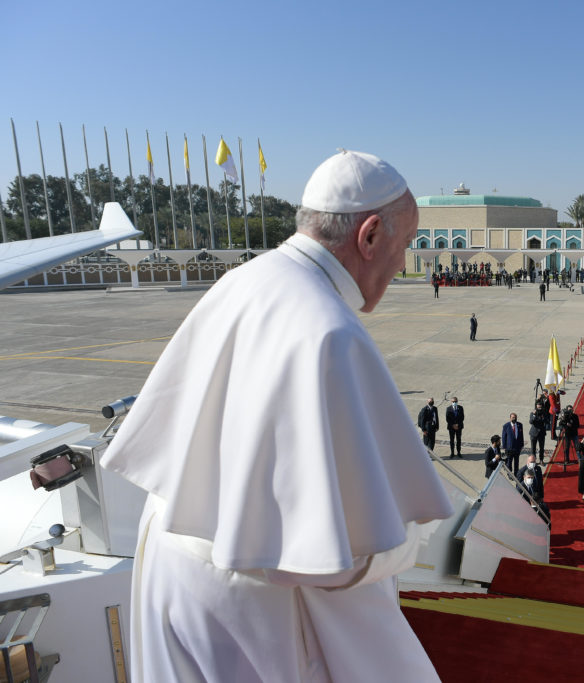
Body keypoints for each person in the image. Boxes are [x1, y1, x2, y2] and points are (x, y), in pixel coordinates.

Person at [99, 149, 454, 681]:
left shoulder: (245, 279)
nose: (404, 262)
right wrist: (411, 541)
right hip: (247, 607)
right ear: (371, 234)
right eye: (405, 244)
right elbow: (338, 561)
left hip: (172, 564)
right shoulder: (329, 331)